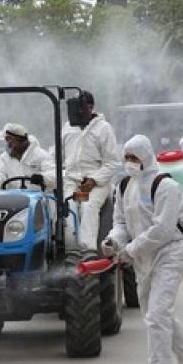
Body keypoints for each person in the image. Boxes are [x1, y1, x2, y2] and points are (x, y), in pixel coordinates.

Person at [102, 135, 183, 364]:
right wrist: (113, 241)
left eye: (134, 158)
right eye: (127, 158)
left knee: (157, 314)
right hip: (142, 258)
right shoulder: (124, 186)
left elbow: (162, 231)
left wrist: (129, 251)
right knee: (155, 315)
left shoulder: (166, 187)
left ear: (147, 157)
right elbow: (122, 223)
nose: (130, 163)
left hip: (169, 253)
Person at [60, 90, 120, 255]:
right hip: (72, 181)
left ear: (91, 107)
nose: (77, 112)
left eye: (81, 107)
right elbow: (57, 157)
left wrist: (93, 180)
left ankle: (88, 251)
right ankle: (70, 251)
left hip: (96, 183)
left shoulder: (104, 129)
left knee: (88, 207)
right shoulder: (67, 128)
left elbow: (112, 162)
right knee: (68, 209)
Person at [0, 123, 55, 192]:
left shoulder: (41, 155)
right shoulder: (5, 158)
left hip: (38, 200)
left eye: (9, 139)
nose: (7, 143)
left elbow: (53, 174)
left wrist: (43, 178)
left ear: (19, 139)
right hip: (13, 200)